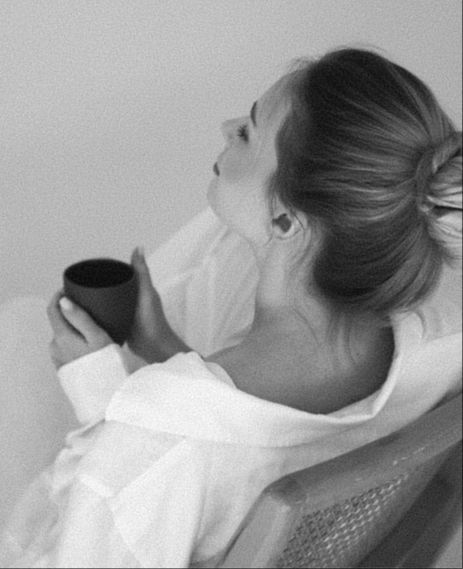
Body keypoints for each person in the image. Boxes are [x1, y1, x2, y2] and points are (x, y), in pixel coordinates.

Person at [0, 46, 461, 568]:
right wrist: (164, 352)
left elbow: (116, 511)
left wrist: (105, 400)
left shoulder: (157, 438)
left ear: (284, 221)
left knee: (16, 330)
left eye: (248, 131)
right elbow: (247, 440)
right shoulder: (443, 346)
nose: (226, 126)